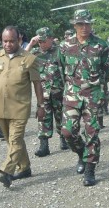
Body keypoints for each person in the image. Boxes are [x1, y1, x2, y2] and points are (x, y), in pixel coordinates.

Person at [0, 26, 45, 188]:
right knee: (10, 140)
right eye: (5, 41)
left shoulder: (29, 59)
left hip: (20, 107)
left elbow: (37, 84)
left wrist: (41, 106)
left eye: (11, 41)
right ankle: (25, 167)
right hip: (0, 107)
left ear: (18, 39)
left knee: (15, 139)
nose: (8, 44)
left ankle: (7, 171)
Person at [59, 9, 109, 187]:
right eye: (81, 24)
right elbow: (61, 70)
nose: (84, 27)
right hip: (72, 95)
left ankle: (90, 169)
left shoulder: (101, 46)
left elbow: (107, 72)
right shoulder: (64, 46)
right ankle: (81, 152)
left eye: (88, 24)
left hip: (93, 97)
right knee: (67, 132)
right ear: (74, 25)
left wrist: (97, 89)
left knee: (92, 133)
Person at [25, 27, 68, 157]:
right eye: (39, 41)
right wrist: (31, 44)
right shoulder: (35, 53)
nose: (41, 44)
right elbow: (20, 62)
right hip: (42, 93)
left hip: (59, 91)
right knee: (43, 118)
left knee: (61, 117)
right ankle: (44, 146)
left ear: (50, 38)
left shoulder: (60, 51)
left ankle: (64, 139)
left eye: (44, 41)